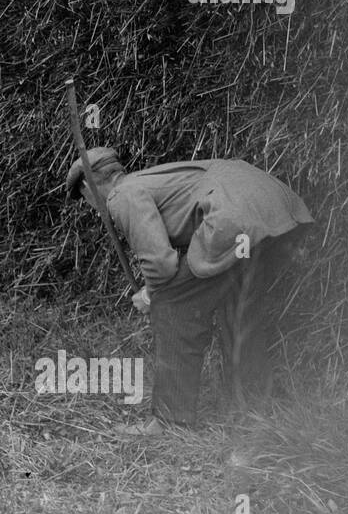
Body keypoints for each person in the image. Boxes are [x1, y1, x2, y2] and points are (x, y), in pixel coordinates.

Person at [66, 148, 314, 435]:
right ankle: (252, 405)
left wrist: (150, 295)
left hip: (236, 220)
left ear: (88, 187)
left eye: (85, 199)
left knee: (174, 305)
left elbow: (160, 266)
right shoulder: (151, 180)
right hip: (279, 212)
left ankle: (171, 421)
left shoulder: (122, 194)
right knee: (238, 302)